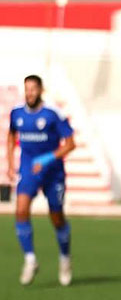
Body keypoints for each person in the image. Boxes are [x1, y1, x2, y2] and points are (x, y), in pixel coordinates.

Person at [7, 75, 76, 286]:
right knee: (21, 210)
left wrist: (47, 158)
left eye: (33, 89)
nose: (29, 93)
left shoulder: (53, 114)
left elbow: (70, 144)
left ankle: (65, 258)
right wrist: (10, 163)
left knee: (56, 218)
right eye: (27, 89)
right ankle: (30, 259)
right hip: (28, 169)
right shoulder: (17, 113)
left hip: (53, 172)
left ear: (40, 90)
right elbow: (11, 136)